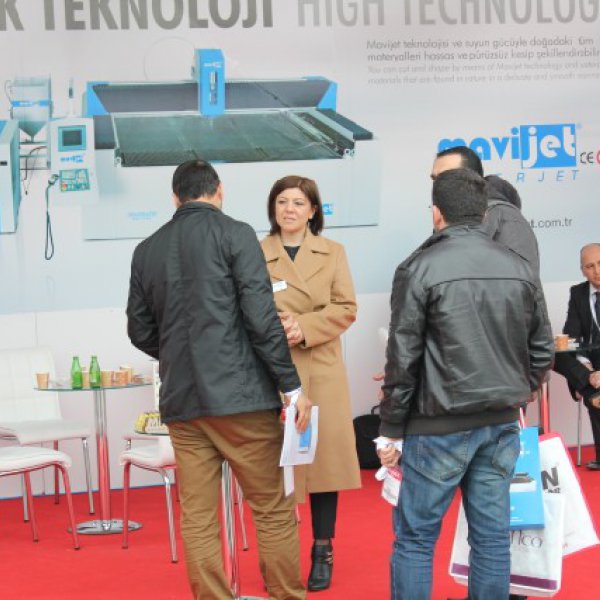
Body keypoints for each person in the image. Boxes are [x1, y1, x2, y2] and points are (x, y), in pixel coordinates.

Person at [126, 160, 311, 600]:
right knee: (272, 509)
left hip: (184, 403)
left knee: (198, 517)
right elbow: (261, 319)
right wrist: (292, 386)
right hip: (242, 399)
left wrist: (180, 356)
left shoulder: (146, 249)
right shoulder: (236, 234)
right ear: (219, 191)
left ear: (175, 198)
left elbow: (139, 329)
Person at [377, 168, 554, 600]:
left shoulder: (418, 267)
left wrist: (391, 428)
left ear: (436, 213)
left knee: (416, 540)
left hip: (436, 426)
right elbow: (542, 349)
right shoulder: (518, 266)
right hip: (500, 423)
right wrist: (518, 390)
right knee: (492, 539)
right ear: (484, 212)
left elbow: (403, 358)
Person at [260, 175, 361, 592]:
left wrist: (303, 325)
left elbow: (346, 307)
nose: (289, 209)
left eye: (298, 203)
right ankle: (279, 552)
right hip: (272, 369)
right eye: (282, 201)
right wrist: (275, 326)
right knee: (273, 466)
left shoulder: (333, 252)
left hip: (320, 366)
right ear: (273, 208)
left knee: (323, 465)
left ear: (313, 210)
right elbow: (242, 306)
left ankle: (323, 548)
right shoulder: (256, 252)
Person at [553, 243, 600, 470]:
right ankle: (592, 386)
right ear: (582, 270)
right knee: (556, 354)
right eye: (590, 266)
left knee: (594, 394)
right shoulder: (578, 293)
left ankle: (592, 392)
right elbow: (572, 335)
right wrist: (587, 370)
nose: (597, 271)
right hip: (590, 364)